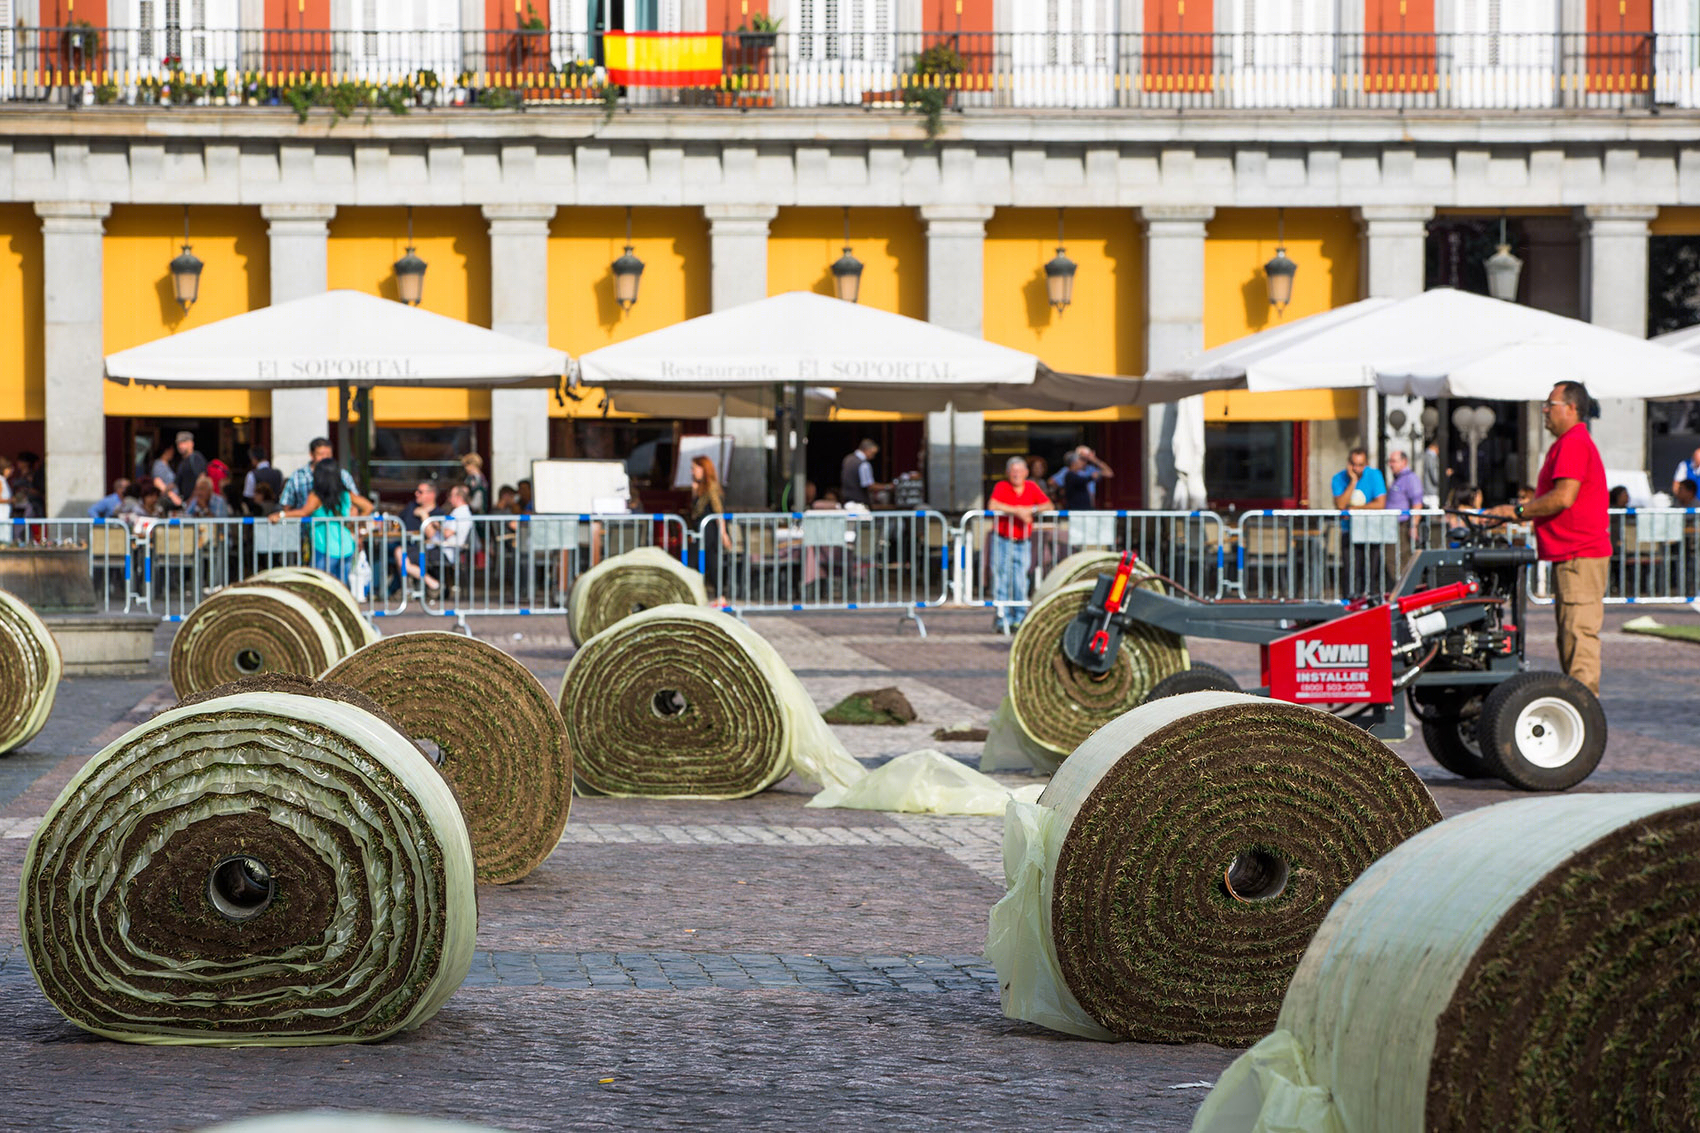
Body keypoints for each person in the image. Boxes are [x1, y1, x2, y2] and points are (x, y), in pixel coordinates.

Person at [1487, 381, 1611, 695]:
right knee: (1569, 638)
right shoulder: (1567, 442)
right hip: (1571, 555)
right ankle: (1580, 710)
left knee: (1578, 638)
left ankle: (1584, 714)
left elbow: (1563, 497)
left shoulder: (1574, 442)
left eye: (1550, 404)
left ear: (1571, 408)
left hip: (1579, 555)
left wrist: (1518, 512)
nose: (1544, 410)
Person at [272, 458, 373, 585]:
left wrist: (281, 514)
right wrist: (354, 523)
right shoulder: (345, 494)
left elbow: (304, 512)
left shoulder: (316, 496)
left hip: (324, 546)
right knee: (342, 588)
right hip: (346, 546)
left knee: (320, 585)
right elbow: (368, 506)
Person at [988, 455, 1052, 633]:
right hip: (1002, 540)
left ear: (1026, 473)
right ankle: (1002, 617)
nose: (1016, 475)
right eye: (1013, 471)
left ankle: (1019, 618)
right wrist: (1017, 511)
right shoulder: (1002, 486)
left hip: (1022, 541)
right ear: (1008, 473)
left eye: (1019, 471)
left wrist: (1031, 509)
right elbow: (992, 505)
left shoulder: (1031, 486)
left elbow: (1049, 505)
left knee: (1020, 581)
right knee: (1002, 579)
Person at [1332, 446, 1388, 596]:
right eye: (1353, 464)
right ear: (1348, 463)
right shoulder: (1338, 478)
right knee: (1351, 572)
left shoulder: (1375, 475)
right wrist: (1353, 482)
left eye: (1360, 465)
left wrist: (1356, 509)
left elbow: (1380, 504)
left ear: (1366, 464)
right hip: (1349, 531)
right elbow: (1341, 505)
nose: (1357, 468)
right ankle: (1349, 606)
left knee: (1370, 572)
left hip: (1371, 531)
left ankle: (1369, 605)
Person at [411, 484, 474, 595]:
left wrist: (436, 524)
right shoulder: (458, 511)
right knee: (408, 554)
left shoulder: (461, 512)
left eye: (451, 495)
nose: (449, 498)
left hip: (447, 551)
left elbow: (447, 533)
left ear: (459, 497)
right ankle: (433, 585)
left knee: (406, 556)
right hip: (443, 549)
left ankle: (435, 585)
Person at [690, 455, 735, 604]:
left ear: (703, 469)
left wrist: (723, 534)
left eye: (694, 468)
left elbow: (718, 511)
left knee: (710, 562)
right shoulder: (699, 487)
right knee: (701, 562)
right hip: (701, 530)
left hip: (710, 531)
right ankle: (711, 595)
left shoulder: (711, 487)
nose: (692, 472)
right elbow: (694, 512)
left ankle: (719, 596)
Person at [280, 437, 359, 511]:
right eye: (321, 454)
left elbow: (355, 500)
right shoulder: (298, 476)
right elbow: (287, 504)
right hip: (306, 524)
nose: (325, 458)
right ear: (311, 455)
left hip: (337, 524)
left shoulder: (343, 475)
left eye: (328, 454)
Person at [1385, 448, 1426, 547]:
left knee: (1401, 558)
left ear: (1404, 462)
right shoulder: (1398, 478)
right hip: (1392, 525)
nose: (1390, 464)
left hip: (1403, 525)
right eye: (1389, 461)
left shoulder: (1411, 478)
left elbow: (1417, 503)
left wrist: (1413, 526)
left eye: (1394, 461)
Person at [1058, 447, 1114, 511]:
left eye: (1086, 459)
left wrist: (1094, 460)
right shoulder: (1067, 472)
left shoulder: (1090, 469)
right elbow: (1053, 482)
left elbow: (1109, 473)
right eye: (1081, 459)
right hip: (1076, 509)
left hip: (1088, 506)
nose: (1084, 461)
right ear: (1074, 462)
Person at [840, 439, 888, 507]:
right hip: (859, 503)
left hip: (847, 501)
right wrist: (887, 487)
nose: (873, 457)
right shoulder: (863, 464)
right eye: (873, 453)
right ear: (867, 450)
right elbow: (869, 486)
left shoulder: (847, 459)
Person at [172, 432, 208, 509]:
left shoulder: (196, 458)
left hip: (197, 503)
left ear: (191, 443)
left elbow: (202, 480)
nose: (180, 446)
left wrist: (193, 498)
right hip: (186, 503)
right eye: (178, 443)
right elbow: (175, 483)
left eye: (183, 443)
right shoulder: (182, 462)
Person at [1421, 439, 1442, 509]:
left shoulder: (1425, 455)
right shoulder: (1431, 457)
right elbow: (1434, 476)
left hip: (1427, 491)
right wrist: (1443, 476)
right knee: (1433, 514)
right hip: (1431, 492)